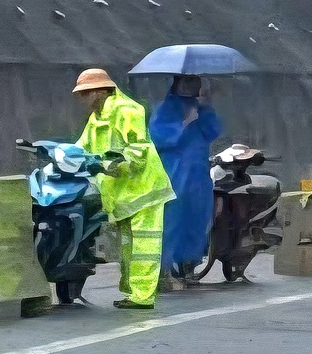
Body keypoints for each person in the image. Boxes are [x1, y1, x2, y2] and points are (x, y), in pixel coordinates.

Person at [74, 68, 175, 310]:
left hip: (145, 191)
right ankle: (134, 293)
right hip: (124, 195)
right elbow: (82, 147)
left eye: (85, 93)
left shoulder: (128, 111)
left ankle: (143, 297)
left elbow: (137, 151)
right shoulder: (96, 119)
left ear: (99, 91)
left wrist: (114, 164)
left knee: (145, 246)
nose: (82, 98)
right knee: (129, 246)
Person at [149, 74, 224, 285]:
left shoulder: (200, 108)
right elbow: (157, 137)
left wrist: (206, 107)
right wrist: (184, 123)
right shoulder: (166, 108)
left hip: (198, 175)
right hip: (174, 172)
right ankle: (164, 267)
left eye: (195, 81)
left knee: (197, 218)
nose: (192, 86)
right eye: (188, 81)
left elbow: (213, 131)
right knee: (171, 220)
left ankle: (189, 264)